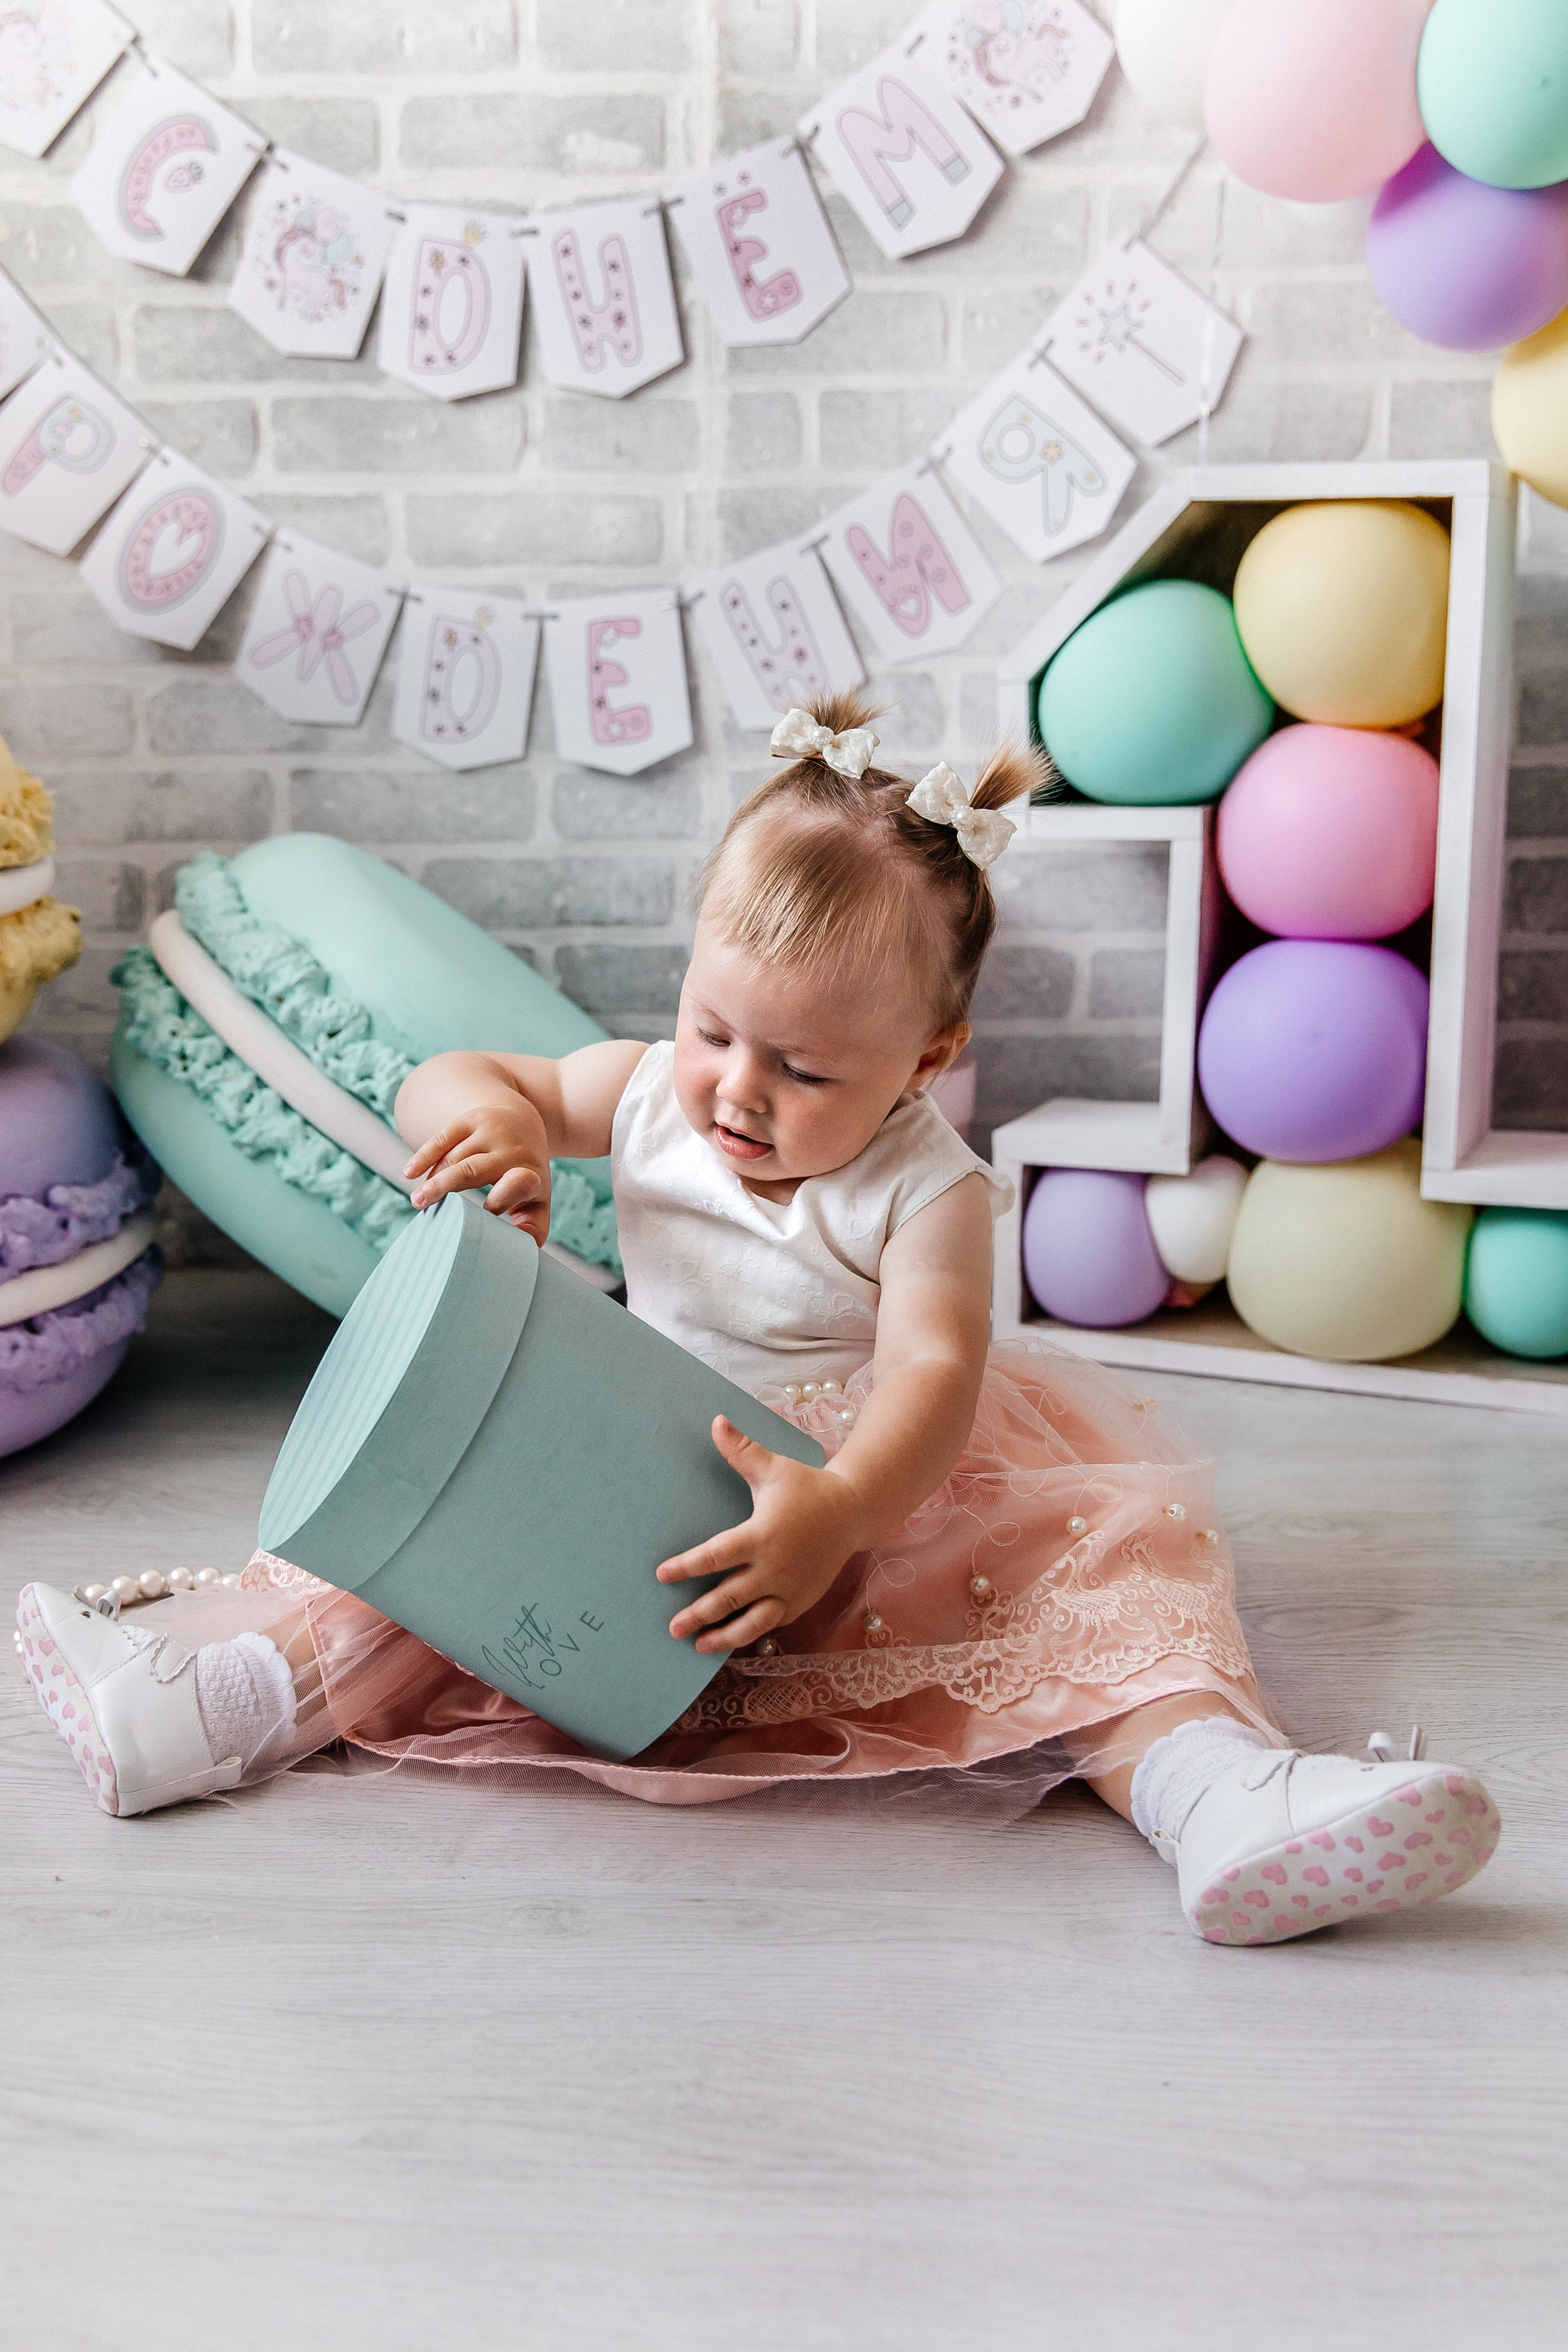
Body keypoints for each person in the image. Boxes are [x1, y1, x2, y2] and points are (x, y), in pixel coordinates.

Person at [17, 695, 1500, 1945]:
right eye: (713, 1027)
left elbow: (931, 1370)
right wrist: (496, 1125)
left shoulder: (931, 1194)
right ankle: (214, 1706)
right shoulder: (659, 1093)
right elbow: (474, 1072)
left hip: (866, 1495)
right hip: (641, 1470)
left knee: (1097, 1577)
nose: (735, 1090)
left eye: (803, 1071)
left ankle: (1211, 1791)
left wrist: (844, 1503)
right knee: (436, 1564)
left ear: (927, 1058)